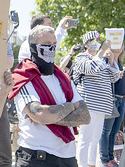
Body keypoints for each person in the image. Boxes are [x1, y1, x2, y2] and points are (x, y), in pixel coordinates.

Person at [9, 25, 90, 167]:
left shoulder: (63, 78)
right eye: (46, 45)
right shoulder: (24, 77)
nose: (52, 49)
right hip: (36, 157)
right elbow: (40, 114)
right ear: (33, 47)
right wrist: (70, 106)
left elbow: (85, 116)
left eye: (54, 44)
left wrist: (49, 116)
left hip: (67, 157)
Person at [72, 31, 120, 167]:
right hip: (89, 104)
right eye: (93, 41)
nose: (97, 44)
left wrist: (111, 60)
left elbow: (114, 77)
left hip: (102, 105)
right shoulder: (81, 57)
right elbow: (90, 68)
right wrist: (102, 52)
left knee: (95, 138)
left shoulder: (102, 60)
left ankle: (91, 164)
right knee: (85, 138)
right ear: (87, 44)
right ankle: (82, 165)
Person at [99, 44, 125, 167]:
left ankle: (111, 157)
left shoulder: (120, 62)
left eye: (122, 44)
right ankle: (105, 159)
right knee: (106, 131)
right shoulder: (106, 60)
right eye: (118, 43)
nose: (120, 46)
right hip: (111, 99)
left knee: (114, 131)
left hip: (121, 100)